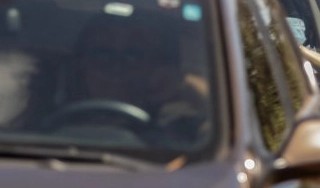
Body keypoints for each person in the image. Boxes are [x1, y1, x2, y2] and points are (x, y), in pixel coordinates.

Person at [53, 11, 210, 147]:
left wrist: (185, 84)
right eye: (102, 56)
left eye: (132, 57)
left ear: (152, 69)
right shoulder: (38, 128)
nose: (116, 68)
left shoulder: (181, 131)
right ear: (81, 66)